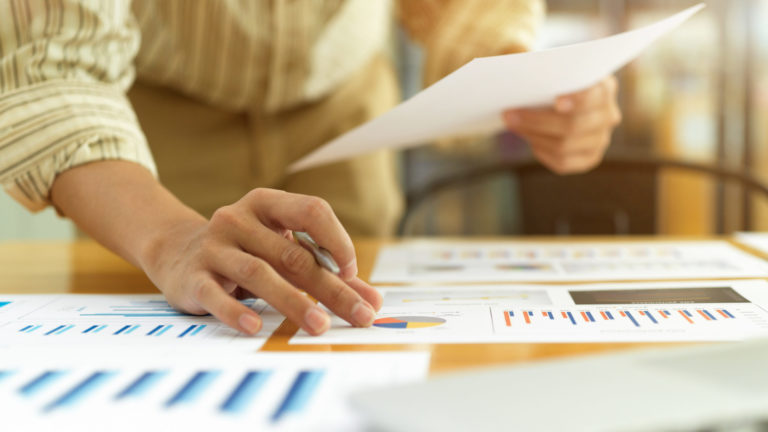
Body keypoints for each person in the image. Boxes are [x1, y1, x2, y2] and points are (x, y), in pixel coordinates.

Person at [0, 0, 620, 336]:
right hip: (157, 129)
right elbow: (49, 62)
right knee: (177, 335)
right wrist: (168, 236)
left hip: (344, 115)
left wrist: (526, 78)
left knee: (359, 331)